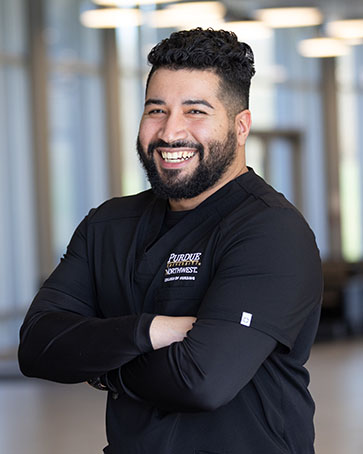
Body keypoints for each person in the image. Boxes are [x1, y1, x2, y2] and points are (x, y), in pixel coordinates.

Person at [18, 28, 323, 454]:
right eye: (156, 110)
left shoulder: (271, 231)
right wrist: (151, 330)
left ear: (240, 127)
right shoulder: (109, 224)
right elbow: (37, 346)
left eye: (195, 111)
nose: (170, 131)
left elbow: (202, 381)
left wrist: (105, 368)